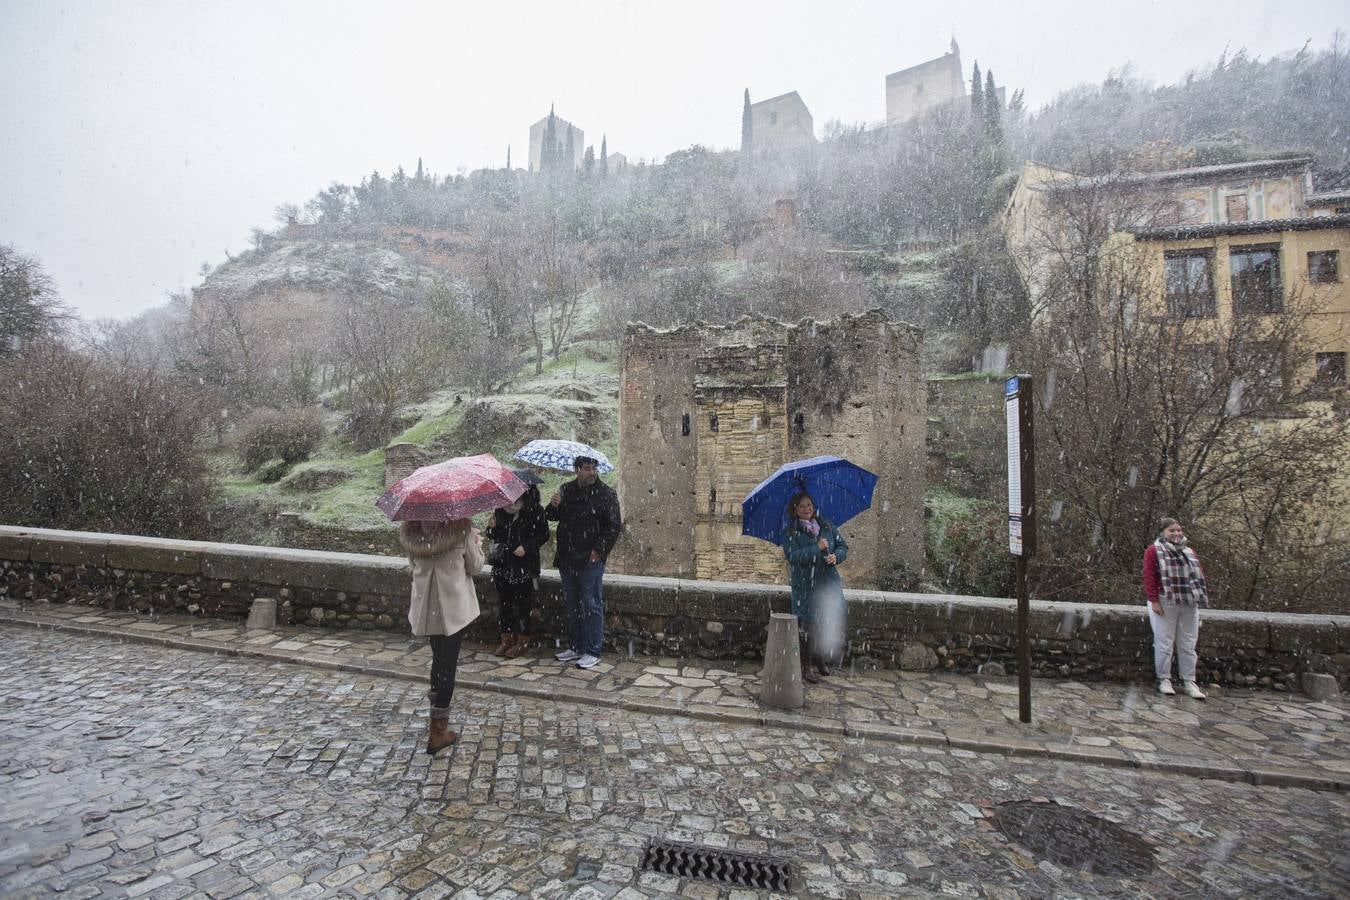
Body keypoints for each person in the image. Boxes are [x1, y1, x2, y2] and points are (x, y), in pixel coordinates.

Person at [399, 518, 485, 754]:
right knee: (447, 665)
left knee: (439, 661)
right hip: (453, 608)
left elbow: (412, 566)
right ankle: (438, 731)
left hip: (428, 608)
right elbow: (475, 567)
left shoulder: (413, 532)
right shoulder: (461, 529)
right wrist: (476, 543)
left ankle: (436, 717)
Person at [546, 455, 622, 670]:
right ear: (577, 470)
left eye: (594, 469)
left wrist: (598, 551)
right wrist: (553, 505)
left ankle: (592, 650)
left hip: (590, 559)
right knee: (572, 605)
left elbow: (613, 526)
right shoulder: (566, 490)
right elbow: (552, 516)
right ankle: (575, 646)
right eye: (587, 469)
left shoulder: (606, 494)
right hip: (567, 557)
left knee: (592, 605)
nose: (592, 473)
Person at [782, 491, 849, 684]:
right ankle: (806, 666)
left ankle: (820, 660)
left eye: (809, 505)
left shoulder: (826, 526)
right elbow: (793, 557)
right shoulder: (790, 532)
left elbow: (843, 546)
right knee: (807, 627)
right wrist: (816, 548)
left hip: (827, 584)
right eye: (802, 506)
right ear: (795, 509)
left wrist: (836, 556)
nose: (806, 509)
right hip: (805, 586)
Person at [1142, 517, 1208, 699]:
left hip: (1188, 602)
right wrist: (1154, 600)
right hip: (1165, 601)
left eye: (1178, 530)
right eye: (1172, 530)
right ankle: (1164, 679)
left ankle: (1189, 681)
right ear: (1163, 532)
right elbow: (1150, 576)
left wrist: (1199, 596)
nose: (1177, 534)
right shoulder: (1154, 551)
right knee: (1164, 641)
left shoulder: (1188, 551)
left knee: (1188, 643)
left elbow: (1198, 575)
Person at [485, 484, 550, 658]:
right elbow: (494, 536)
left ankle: (522, 642)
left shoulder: (536, 510)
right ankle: (506, 640)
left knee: (523, 606)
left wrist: (526, 547)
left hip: (524, 566)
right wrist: (491, 528)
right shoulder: (500, 508)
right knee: (504, 605)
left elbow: (544, 534)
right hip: (503, 565)